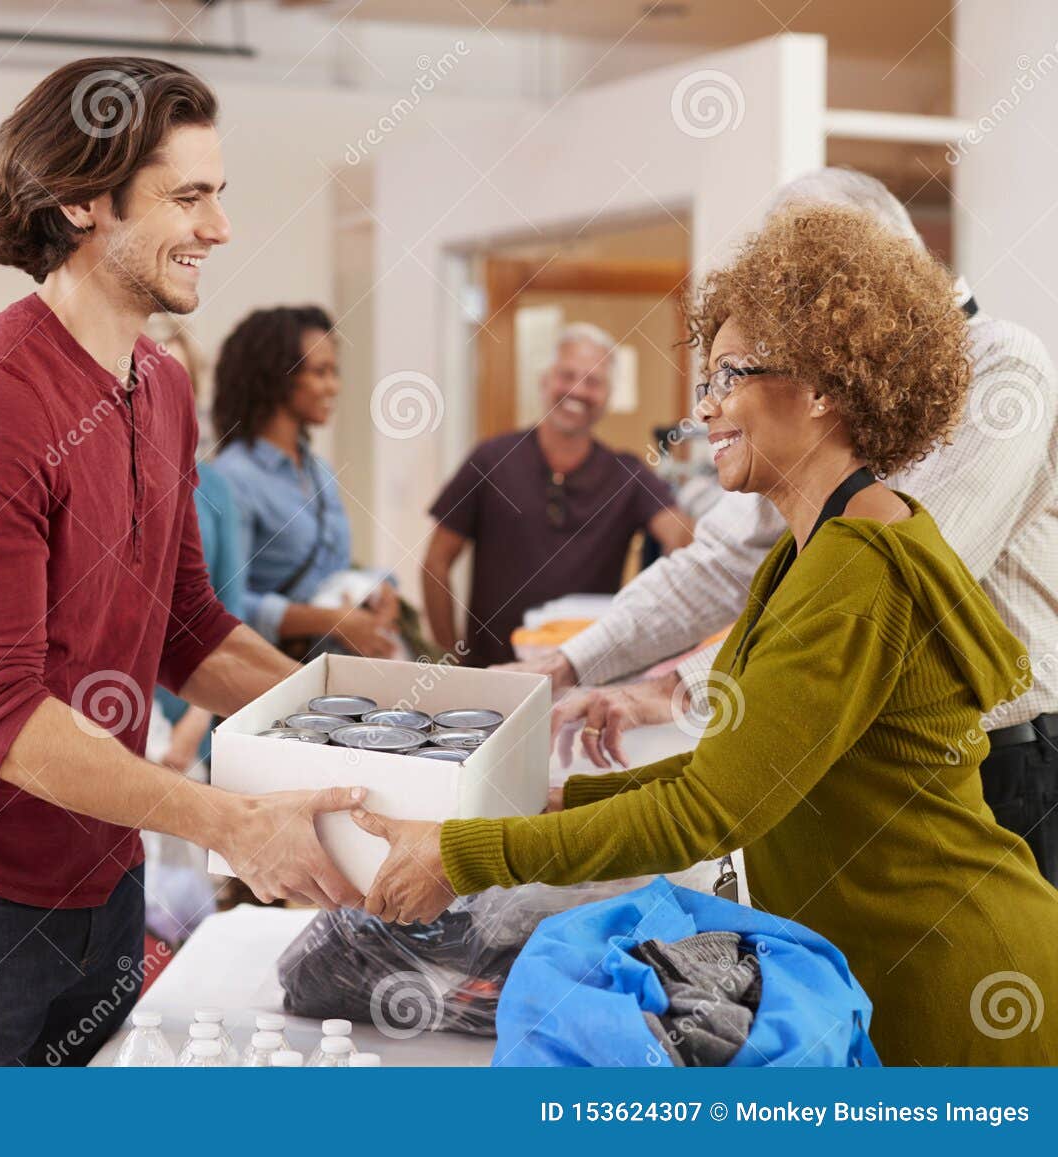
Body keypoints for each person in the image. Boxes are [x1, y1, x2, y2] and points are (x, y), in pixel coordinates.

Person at [351, 205, 1058, 1065]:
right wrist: (559, 802)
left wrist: (465, 855)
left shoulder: (856, 564)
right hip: (901, 959)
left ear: (823, 384)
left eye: (728, 376)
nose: (704, 410)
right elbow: (740, 760)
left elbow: (706, 811)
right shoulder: (816, 547)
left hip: (956, 982)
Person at [0, 57, 365, 1068]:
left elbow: (184, 627)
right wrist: (231, 824)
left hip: (102, 869)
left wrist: (372, 720)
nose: (219, 228)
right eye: (189, 197)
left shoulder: (159, 384)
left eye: (219, 195)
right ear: (85, 201)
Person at [521, 169, 1058, 887]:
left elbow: (896, 583)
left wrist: (683, 688)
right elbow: (721, 560)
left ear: (882, 268)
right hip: (868, 751)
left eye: (814, 288)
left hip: (1005, 757)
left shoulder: (1001, 365)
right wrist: (570, 664)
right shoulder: (812, 404)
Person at [422, 323, 693, 667]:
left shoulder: (627, 474)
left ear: (607, 397)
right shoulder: (492, 459)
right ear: (545, 380)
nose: (578, 391)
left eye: (594, 382)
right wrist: (448, 659)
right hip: (493, 675)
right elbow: (435, 563)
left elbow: (681, 538)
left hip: (584, 677)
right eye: (567, 375)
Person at [212, 305, 400, 660]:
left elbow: (332, 573)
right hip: (273, 674)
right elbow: (223, 604)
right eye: (320, 372)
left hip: (334, 670)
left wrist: (381, 589)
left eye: (335, 371)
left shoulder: (320, 471)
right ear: (276, 376)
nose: (335, 385)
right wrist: (331, 621)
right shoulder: (232, 478)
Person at [145, 316, 241, 775]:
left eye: (175, 380)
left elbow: (226, 613)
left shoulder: (215, 490)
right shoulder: (93, 479)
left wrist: (192, 729)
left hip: (187, 716)